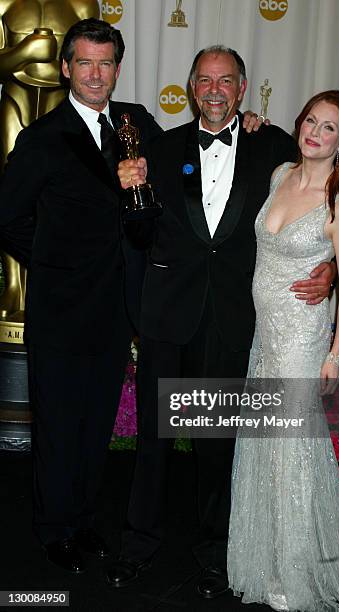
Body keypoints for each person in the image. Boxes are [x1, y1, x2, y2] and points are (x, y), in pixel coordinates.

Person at [107, 46, 335, 598]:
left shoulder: (276, 146)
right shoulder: (158, 150)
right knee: (155, 442)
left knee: (216, 444)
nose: (213, 90)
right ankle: (140, 545)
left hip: (234, 316)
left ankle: (215, 555)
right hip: (168, 312)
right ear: (191, 87)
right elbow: (140, 235)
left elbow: (320, 202)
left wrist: (329, 264)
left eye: (225, 81)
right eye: (204, 80)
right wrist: (127, 194)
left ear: (241, 88)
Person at [227, 90, 339, 610]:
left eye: (330, 128)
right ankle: (267, 559)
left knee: (291, 453)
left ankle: (294, 571)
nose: (316, 132)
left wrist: (334, 356)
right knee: (265, 445)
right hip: (265, 336)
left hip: (302, 342)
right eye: (311, 120)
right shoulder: (278, 173)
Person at [0, 18, 162, 573]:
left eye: (106, 63)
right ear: (67, 68)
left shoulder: (136, 122)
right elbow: (8, 218)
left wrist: (248, 124)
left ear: (117, 68)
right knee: (59, 425)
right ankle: (54, 528)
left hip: (117, 309)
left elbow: (186, 168)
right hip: (62, 311)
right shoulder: (42, 138)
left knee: (95, 425)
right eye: (85, 63)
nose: (96, 74)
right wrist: (55, 264)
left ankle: (86, 519)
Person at [0, 0, 100, 319]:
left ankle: (54, 276)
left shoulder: (83, 5)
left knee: (59, 199)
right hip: (15, 98)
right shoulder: (5, 3)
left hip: (62, 103)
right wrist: (26, 52)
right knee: (11, 196)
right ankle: (14, 287)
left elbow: (91, 59)